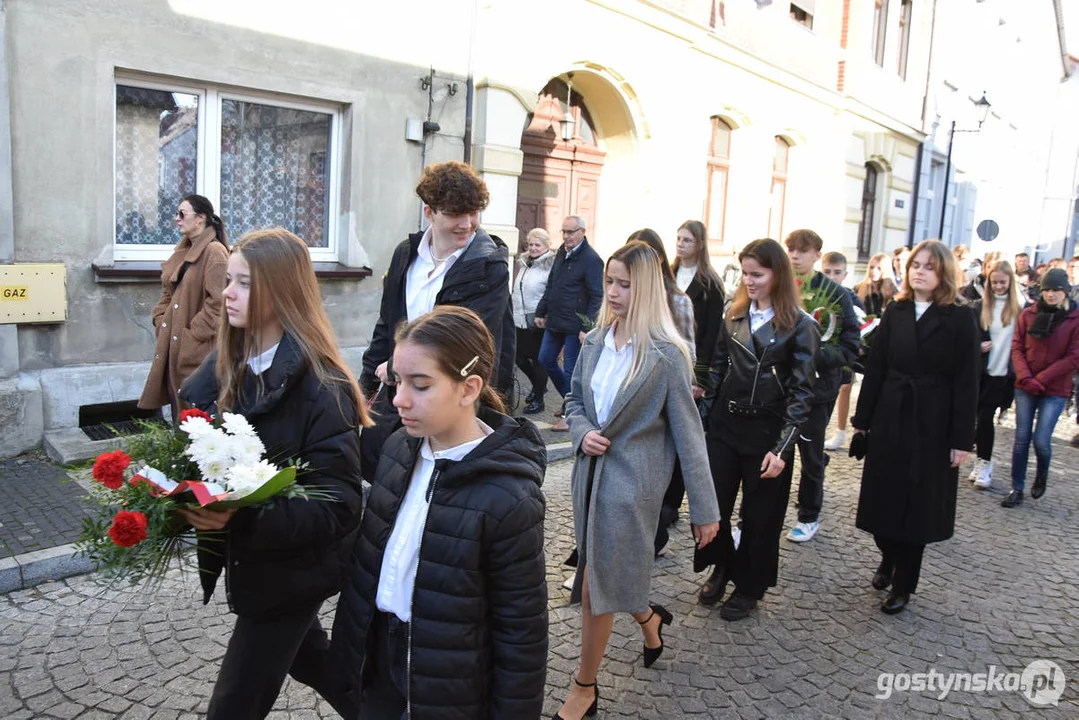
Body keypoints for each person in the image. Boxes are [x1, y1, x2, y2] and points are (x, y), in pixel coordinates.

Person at [176, 228, 370, 720]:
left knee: (233, 706)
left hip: (294, 573)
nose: (227, 293)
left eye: (242, 283)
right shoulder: (224, 369)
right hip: (256, 565)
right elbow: (197, 458)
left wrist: (237, 518)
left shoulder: (323, 388)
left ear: (280, 291)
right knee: (314, 661)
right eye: (229, 281)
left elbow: (338, 505)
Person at [329, 306, 548, 719]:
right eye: (397, 381)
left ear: (468, 389)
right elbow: (369, 559)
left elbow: (521, 634)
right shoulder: (398, 448)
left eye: (421, 385)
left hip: (448, 679)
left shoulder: (508, 498)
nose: (399, 399)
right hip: (378, 660)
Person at [553, 242, 719, 720]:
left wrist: (706, 511)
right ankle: (649, 617)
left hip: (632, 490)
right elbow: (575, 401)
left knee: (591, 585)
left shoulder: (668, 356)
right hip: (588, 481)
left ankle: (584, 688)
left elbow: (691, 437)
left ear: (645, 289)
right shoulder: (597, 341)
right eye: (610, 281)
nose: (614, 291)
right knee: (608, 574)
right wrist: (582, 433)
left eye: (625, 283)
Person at [358, 161, 513, 479]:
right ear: (429, 212)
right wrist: (364, 391)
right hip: (399, 397)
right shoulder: (406, 254)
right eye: (456, 213)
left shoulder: (489, 265)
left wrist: (395, 366)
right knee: (385, 478)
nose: (468, 224)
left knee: (442, 488)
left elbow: (465, 341)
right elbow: (387, 325)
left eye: (474, 212)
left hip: (454, 401)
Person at [850, 239, 980, 615]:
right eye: (915, 265)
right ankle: (888, 557)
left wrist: (961, 439)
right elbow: (876, 369)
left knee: (917, 508)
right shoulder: (897, 310)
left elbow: (967, 381)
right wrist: (862, 423)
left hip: (933, 423)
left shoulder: (960, 317)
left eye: (928, 266)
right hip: (891, 415)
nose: (919, 271)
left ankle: (904, 584)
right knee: (882, 502)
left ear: (943, 273)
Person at [696, 238, 819, 619]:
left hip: (768, 431)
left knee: (761, 514)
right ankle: (720, 565)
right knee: (713, 502)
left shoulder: (800, 326)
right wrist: (701, 425)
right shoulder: (733, 316)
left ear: (777, 274)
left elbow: (802, 394)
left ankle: (750, 585)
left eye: (758, 274)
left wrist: (782, 450)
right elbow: (716, 371)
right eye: (745, 273)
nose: (749, 281)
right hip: (726, 426)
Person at [783, 230, 860, 543]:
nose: (795, 256)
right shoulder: (780, 285)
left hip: (818, 390)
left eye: (802, 250)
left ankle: (809, 515)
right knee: (775, 451)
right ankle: (757, 513)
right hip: (781, 387)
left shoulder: (837, 294)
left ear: (817, 254)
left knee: (811, 455)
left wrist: (813, 355)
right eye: (791, 249)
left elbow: (851, 345)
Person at [139, 194, 229, 420]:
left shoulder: (214, 252)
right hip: (173, 343)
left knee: (196, 415)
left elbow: (219, 304)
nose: (176, 219)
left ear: (200, 218)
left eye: (182, 214)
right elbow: (168, 293)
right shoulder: (184, 251)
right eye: (176, 214)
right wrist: (160, 320)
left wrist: (192, 335)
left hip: (196, 350)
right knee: (178, 410)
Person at [663, 219, 727, 524]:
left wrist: (700, 378)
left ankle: (673, 502)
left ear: (699, 244)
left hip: (690, 365)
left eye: (687, 240)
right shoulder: (671, 274)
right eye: (678, 238)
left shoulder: (711, 284)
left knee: (683, 435)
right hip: (665, 360)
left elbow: (712, 335)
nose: (680, 244)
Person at [1002, 268, 1079, 507]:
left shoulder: (1074, 318)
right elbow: (1016, 348)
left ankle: (1042, 474)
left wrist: (1042, 379)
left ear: (1065, 291)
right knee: (1022, 438)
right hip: (1025, 385)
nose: (1051, 295)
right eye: (1047, 290)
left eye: (1056, 290)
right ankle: (1017, 487)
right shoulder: (1028, 314)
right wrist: (1026, 377)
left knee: (1042, 440)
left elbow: (1074, 357)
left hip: (1054, 389)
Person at [535, 215, 605, 432]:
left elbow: (597, 296)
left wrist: (587, 327)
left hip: (575, 326)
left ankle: (570, 413)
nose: (566, 236)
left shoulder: (592, 260)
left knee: (571, 372)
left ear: (582, 232)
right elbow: (551, 285)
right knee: (545, 359)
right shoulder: (560, 253)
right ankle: (571, 401)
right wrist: (541, 311)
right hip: (555, 319)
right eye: (563, 232)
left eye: (571, 232)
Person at [969, 261, 1024, 489]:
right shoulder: (979, 307)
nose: (998, 286)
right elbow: (968, 339)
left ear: (1010, 282)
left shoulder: (1020, 311)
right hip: (981, 372)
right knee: (975, 417)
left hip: (1003, 375)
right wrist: (978, 347)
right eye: (994, 283)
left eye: (1002, 282)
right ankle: (978, 459)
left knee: (985, 418)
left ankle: (985, 463)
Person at [823, 251, 871, 451]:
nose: (832, 277)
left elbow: (862, 328)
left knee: (837, 394)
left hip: (840, 361)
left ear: (845, 274)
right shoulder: (814, 293)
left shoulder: (850, 297)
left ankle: (836, 433)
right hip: (817, 359)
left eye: (837, 272)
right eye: (827, 272)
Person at [513, 228, 556, 414]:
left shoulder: (550, 267)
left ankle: (539, 399)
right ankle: (539, 386)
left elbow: (551, 294)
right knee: (519, 357)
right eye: (530, 244)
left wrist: (544, 314)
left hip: (538, 320)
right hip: (520, 318)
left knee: (539, 361)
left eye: (537, 245)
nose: (533, 248)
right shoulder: (525, 263)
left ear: (547, 246)